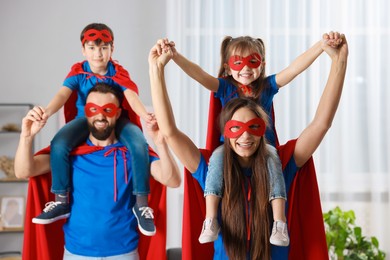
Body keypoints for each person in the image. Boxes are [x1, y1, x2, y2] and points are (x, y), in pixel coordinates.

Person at [149, 32, 347, 259]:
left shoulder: (281, 163)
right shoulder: (213, 168)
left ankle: (278, 223)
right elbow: (170, 132)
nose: (245, 137)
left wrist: (338, 61)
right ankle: (210, 220)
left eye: (253, 127)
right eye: (236, 128)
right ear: (225, 130)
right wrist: (156, 70)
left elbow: (321, 123)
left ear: (264, 128)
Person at [14, 82, 181, 259]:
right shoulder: (69, 154)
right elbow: (24, 171)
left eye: (107, 110)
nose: (100, 116)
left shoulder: (133, 154)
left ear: (117, 114)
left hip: (124, 253)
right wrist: (26, 136)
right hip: (76, 253)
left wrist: (161, 143)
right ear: (85, 112)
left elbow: (172, 180)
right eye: (93, 109)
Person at [32, 23, 157, 236]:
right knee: (59, 144)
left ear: (112, 49)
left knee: (138, 144)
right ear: (83, 50)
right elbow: (63, 94)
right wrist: (47, 111)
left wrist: (145, 115)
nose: (98, 54)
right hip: (85, 119)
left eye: (103, 48)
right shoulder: (79, 72)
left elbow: (131, 96)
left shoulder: (118, 72)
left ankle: (141, 202)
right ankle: (61, 199)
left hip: (116, 119)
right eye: (92, 48)